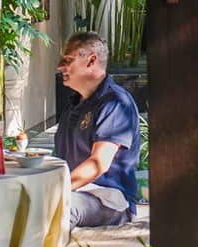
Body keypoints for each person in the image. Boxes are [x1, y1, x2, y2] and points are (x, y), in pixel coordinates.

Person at [54, 31, 140, 232]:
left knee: (60, 209)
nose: (60, 66)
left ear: (91, 60)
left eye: (68, 60)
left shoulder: (115, 103)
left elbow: (98, 164)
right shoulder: (74, 103)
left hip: (109, 199)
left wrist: (54, 191)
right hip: (75, 190)